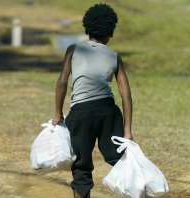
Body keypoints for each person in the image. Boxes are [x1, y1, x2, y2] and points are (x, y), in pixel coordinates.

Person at [52, 3, 133, 198]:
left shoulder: (73, 49)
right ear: (111, 32)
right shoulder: (114, 56)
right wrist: (127, 130)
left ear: (87, 28)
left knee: (80, 162)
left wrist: (58, 114)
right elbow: (126, 94)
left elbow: (62, 82)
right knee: (117, 157)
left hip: (81, 113)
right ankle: (134, 188)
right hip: (108, 112)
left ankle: (81, 193)